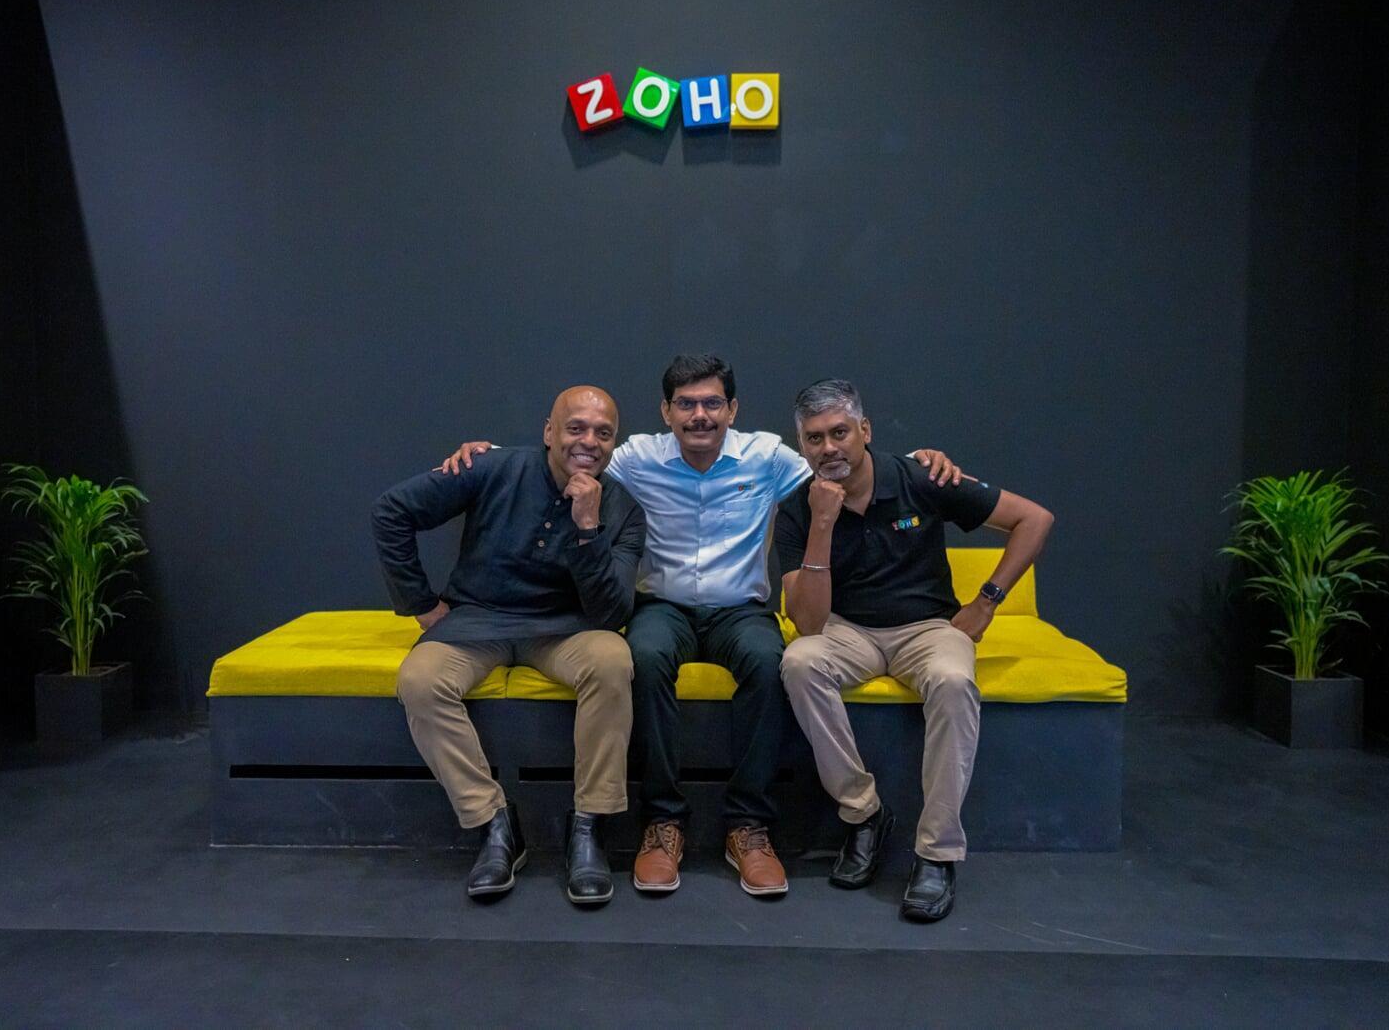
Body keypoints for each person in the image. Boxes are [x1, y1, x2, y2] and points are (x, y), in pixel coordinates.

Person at [439, 356, 965, 898]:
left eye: (712, 403)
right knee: (643, 657)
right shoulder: (636, 458)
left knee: (770, 661)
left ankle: (749, 825)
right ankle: (663, 821)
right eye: (686, 404)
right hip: (662, 605)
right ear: (665, 411)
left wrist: (919, 464)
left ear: (732, 409)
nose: (700, 415)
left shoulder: (767, 457)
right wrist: (485, 455)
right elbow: (571, 456)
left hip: (740, 608)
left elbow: (841, 462)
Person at [776, 378, 1053, 922]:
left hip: (927, 628)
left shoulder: (922, 477)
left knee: (953, 680)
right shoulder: (796, 509)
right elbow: (807, 624)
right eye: (814, 438)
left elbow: (1034, 519)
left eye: (839, 433)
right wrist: (823, 523)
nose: (828, 448)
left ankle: (937, 853)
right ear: (801, 445)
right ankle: (864, 815)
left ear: (865, 430)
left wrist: (987, 602)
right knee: (799, 663)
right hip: (846, 630)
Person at [371, 386, 645, 905]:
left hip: (565, 629)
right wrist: (421, 604)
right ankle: (494, 822)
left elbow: (611, 614)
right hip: (477, 622)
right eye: (575, 428)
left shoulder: (623, 509)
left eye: (603, 433)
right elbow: (392, 511)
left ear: (615, 443)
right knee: (420, 679)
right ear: (549, 432)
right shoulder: (490, 468)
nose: (589, 441)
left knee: (612, 659)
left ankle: (589, 825)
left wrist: (588, 528)